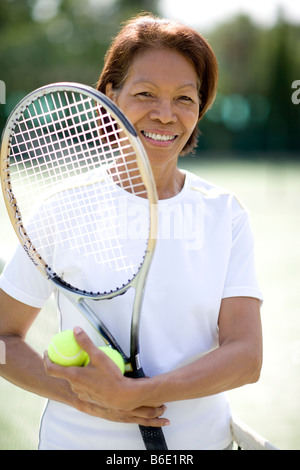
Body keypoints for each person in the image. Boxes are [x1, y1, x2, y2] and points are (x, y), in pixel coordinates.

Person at [0, 14, 263, 450]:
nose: (165, 114)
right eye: (145, 94)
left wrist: (139, 394)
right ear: (110, 97)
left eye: (184, 97)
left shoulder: (226, 215)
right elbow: (4, 338)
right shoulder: (62, 208)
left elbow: (246, 356)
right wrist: (89, 401)